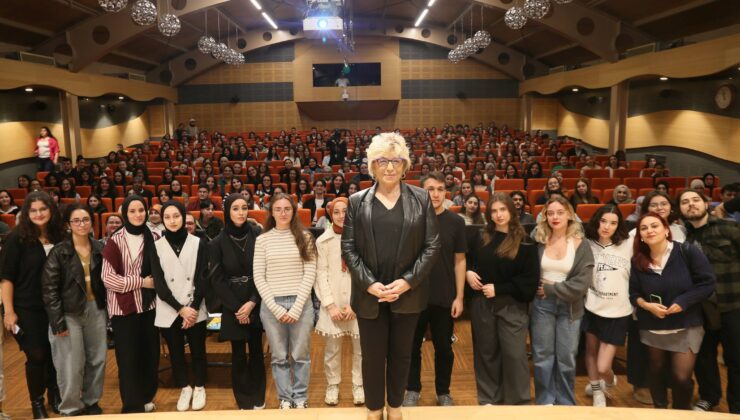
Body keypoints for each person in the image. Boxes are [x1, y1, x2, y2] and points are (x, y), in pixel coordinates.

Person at [341, 133, 440, 420]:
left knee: (402, 356)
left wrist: (408, 281)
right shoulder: (357, 201)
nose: (389, 167)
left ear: (405, 165)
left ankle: (395, 408)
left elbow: (432, 245)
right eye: (382, 161)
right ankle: (374, 411)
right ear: (372, 165)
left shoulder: (421, 199)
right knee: (371, 359)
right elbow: (348, 247)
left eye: (396, 161)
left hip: (407, 294)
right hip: (369, 295)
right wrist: (370, 284)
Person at [629, 212, 715, 409]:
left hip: (686, 324)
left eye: (654, 226)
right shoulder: (638, 260)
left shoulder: (687, 251)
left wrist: (684, 301)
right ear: (640, 235)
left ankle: (680, 412)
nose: (649, 230)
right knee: (656, 371)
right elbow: (633, 294)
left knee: (681, 378)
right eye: (644, 228)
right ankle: (660, 411)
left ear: (666, 229)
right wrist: (646, 305)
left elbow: (707, 283)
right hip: (652, 325)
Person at [466, 192, 539, 405]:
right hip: (482, 304)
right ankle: (489, 400)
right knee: (486, 353)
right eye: (494, 211)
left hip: (512, 305)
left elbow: (529, 281)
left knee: (514, 355)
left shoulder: (525, 241)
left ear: (511, 211)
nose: (498, 215)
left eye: (503, 210)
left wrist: (499, 289)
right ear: (489, 213)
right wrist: (469, 272)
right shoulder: (480, 237)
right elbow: (466, 260)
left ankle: (518, 403)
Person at [402, 173, 466, 407]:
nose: (436, 194)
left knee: (444, 349)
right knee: (411, 347)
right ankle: (412, 389)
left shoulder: (456, 222)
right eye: (430, 189)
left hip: (444, 296)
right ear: (422, 192)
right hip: (413, 296)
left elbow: (460, 261)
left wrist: (459, 296)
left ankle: (443, 392)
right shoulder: (410, 220)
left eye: (440, 189)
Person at [0, 191, 64, 419]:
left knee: (55, 353)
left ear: (51, 210)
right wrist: (9, 312)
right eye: (33, 210)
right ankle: (37, 403)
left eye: (43, 209)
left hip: (56, 307)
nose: (38, 214)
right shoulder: (17, 239)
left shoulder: (60, 235)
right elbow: (6, 278)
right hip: (26, 308)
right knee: (36, 355)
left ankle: (55, 396)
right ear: (27, 213)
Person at [678, 190, 740, 413]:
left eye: (696, 200)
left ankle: (736, 406)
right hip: (701, 307)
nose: (691, 205)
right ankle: (709, 397)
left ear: (706, 204)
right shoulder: (684, 239)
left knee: (736, 358)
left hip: (733, 304)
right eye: (685, 202)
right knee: (704, 356)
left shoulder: (729, 227)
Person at [41, 204, 107, 416]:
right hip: (68, 314)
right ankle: (70, 407)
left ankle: (91, 401)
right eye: (76, 220)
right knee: (71, 363)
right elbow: (49, 290)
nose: (82, 224)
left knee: (98, 359)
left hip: (96, 309)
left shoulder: (100, 248)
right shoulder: (59, 252)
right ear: (68, 224)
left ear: (92, 222)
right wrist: (57, 322)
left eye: (85, 219)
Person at [254, 193, 317, 409]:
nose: (283, 213)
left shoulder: (305, 237)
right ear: (271, 212)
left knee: (300, 355)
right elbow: (258, 276)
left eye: (287, 209)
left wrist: (297, 307)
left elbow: (310, 273)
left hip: (301, 304)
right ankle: (284, 398)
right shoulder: (262, 240)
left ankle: (300, 398)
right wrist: (276, 309)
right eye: (278, 209)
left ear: (293, 211)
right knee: (279, 356)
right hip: (272, 306)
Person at [531, 196, 594, 405]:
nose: (555, 217)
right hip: (542, 306)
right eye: (550, 213)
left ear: (570, 214)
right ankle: (545, 401)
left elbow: (581, 284)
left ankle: (566, 402)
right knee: (542, 357)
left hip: (570, 307)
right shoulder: (538, 240)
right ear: (544, 216)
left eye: (560, 212)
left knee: (566, 358)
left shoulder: (581, 244)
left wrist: (551, 288)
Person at [101, 195, 160, 413]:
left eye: (141, 210)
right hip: (123, 310)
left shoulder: (154, 236)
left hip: (149, 307)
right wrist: (141, 282)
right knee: (128, 359)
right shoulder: (114, 240)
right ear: (125, 214)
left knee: (150, 356)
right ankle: (131, 406)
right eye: (133, 211)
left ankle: (145, 398)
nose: (138, 215)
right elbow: (108, 279)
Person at [209, 194, 266, 410]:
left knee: (257, 351)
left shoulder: (258, 234)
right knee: (239, 353)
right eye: (235, 208)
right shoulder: (217, 242)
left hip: (256, 296)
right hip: (232, 303)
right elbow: (217, 279)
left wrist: (252, 302)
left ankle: (259, 397)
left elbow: (263, 270)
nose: (241, 212)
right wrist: (237, 309)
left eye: (244, 208)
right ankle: (243, 400)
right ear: (227, 212)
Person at [151, 201, 209, 412]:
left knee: (198, 351)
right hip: (169, 307)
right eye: (167, 217)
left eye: (176, 216)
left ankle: (200, 386)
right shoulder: (156, 246)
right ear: (162, 220)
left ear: (184, 217)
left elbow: (203, 278)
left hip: (195, 306)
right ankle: (185, 387)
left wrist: (191, 308)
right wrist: (180, 309)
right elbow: (159, 283)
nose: (172, 221)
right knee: (176, 352)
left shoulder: (198, 242)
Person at [314, 197, 365, 406]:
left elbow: (366, 273)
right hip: (332, 303)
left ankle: (358, 384)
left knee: (361, 349)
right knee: (332, 349)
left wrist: (356, 303)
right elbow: (321, 274)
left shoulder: (363, 238)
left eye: (345, 211)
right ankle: (333, 384)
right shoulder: (322, 241)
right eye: (337, 212)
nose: (341, 216)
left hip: (357, 304)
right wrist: (330, 305)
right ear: (330, 214)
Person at [581, 205, 632, 407]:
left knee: (604, 366)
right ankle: (596, 391)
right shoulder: (587, 244)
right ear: (597, 221)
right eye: (604, 221)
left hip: (618, 311)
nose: (607, 227)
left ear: (619, 225)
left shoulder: (628, 244)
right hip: (592, 307)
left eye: (613, 223)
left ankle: (608, 382)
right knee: (591, 352)